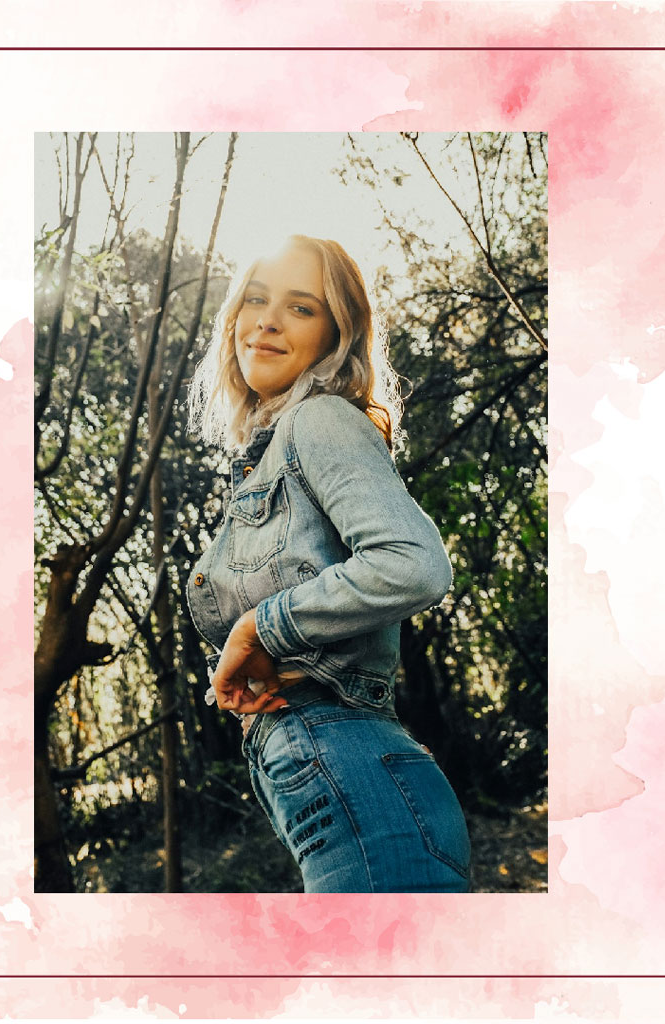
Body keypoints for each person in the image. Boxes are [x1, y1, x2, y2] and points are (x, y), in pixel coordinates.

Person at [185, 234, 470, 893]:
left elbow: (412, 564)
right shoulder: (267, 456)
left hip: (362, 788)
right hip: (343, 791)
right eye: (256, 299)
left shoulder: (319, 420)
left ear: (337, 336)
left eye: (301, 308)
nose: (268, 320)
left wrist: (260, 628)